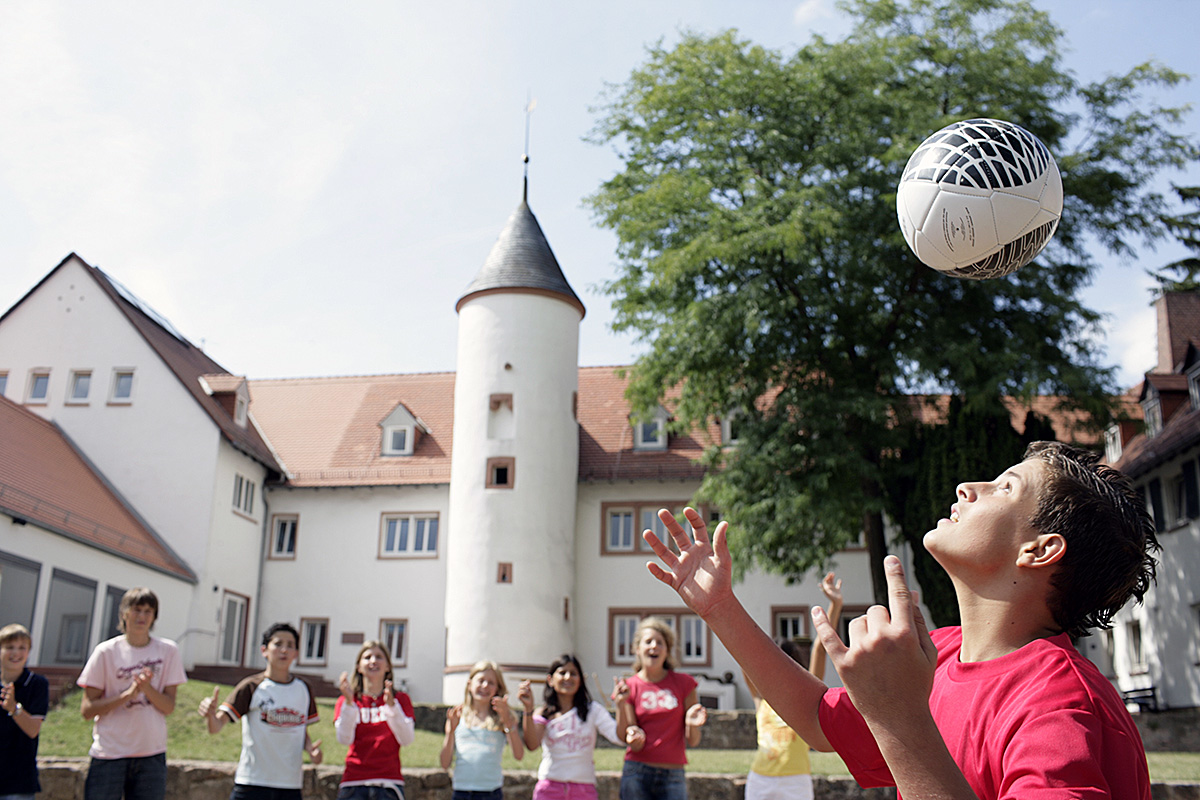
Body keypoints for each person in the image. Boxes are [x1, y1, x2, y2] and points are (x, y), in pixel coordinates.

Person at [643, 441, 1160, 800]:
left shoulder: (1061, 706)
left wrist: (900, 717)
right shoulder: (938, 655)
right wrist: (720, 607)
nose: (967, 486)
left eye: (1006, 488)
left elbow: (892, 721)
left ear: (1040, 550)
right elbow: (819, 721)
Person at [77, 587, 187, 800]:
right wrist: (128, 695)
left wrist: (146, 689)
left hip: (151, 755)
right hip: (109, 754)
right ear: (124, 613)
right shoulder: (105, 652)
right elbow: (87, 710)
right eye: (137, 610)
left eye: (148, 611)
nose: (142, 616)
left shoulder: (168, 651)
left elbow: (168, 707)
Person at [198, 622, 322, 800]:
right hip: (252, 783)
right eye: (278, 644)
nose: (284, 650)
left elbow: (299, 729)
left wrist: (311, 750)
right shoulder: (251, 687)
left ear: (296, 653)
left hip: (290, 785)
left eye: (290, 645)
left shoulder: (304, 689)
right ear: (264, 650)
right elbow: (216, 727)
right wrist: (210, 714)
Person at [745, 573, 842, 800]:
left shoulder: (806, 696)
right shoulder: (761, 697)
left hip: (796, 782)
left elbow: (820, 648)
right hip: (760, 780)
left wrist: (835, 605)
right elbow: (743, 654)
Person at [612, 617, 707, 800]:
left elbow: (694, 741)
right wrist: (621, 706)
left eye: (660, 642)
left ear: (667, 650)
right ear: (637, 649)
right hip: (636, 773)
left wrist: (691, 724)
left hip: (673, 775)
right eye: (648, 641)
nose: (654, 646)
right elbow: (624, 736)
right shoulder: (628, 686)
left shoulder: (685, 684)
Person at [516, 654, 624, 800]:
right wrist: (528, 709)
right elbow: (532, 744)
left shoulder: (593, 711)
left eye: (573, 673)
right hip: (549, 789)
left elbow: (618, 736)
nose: (567, 677)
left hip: (583, 790)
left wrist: (621, 705)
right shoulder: (544, 713)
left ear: (581, 680)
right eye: (562, 673)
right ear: (550, 680)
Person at [333, 640, 417, 800]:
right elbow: (344, 739)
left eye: (379, 656)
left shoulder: (400, 699)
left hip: (389, 785)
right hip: (353, 784)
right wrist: (349, 704)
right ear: (358, 667)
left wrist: (392, 707)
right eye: (367, 657)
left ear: (388, 666)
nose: (373, 661)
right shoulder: (346, 701)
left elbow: (407, 739)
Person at [439, 660, 524, 800]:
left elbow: (519, 755)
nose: (485, 686)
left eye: (491, 683)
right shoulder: (459, 716)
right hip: (462, 792)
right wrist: (450, 732)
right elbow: (444, 764)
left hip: (490, 793)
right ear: (469, 684)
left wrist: (508, 721)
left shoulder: (502, 718)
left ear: (497, 688)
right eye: (481, 680)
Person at [1, 623, 49, 800]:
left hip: (18, 782)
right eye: (10, 647)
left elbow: (33, 730)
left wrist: (14, 708)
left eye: (22, 648)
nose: (16, 653)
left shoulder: (37, 684)